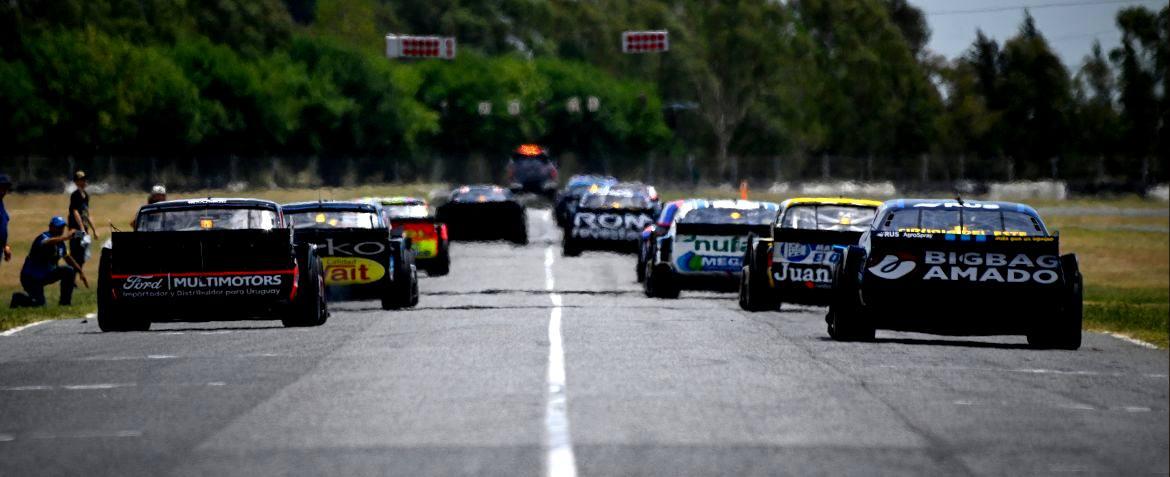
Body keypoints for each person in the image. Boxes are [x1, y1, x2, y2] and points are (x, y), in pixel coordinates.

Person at [11, 216, 89, 308]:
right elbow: (47, 242)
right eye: (58, 227)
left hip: (46, 274)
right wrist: (66, 237)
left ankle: (65, 303)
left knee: (68, 271)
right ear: (51, 227)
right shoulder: (43, 237)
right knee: (40, 305)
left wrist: (80, 271)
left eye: (62, 227)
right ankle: (18, 298)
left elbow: (68, 258)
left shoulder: (61, 243)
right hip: (31, 278)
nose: (61, 230)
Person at [67, 170, 97, 269]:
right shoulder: (75, 195)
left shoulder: (86, 195)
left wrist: (94, 230)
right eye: (81, 180)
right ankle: (72, 276)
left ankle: (77, 273)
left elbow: (86, 213)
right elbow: (75, 212)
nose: (84, 182)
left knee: (83, 254)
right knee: (75, 252)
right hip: (75, 229)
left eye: (84, 179)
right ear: (76, 182)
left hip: (84, 229)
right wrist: (81, 229)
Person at [0, 174, 11, 267]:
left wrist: (5, 246)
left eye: (5, 188)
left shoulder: (1, 203)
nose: (3, 191)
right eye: (1, 187)